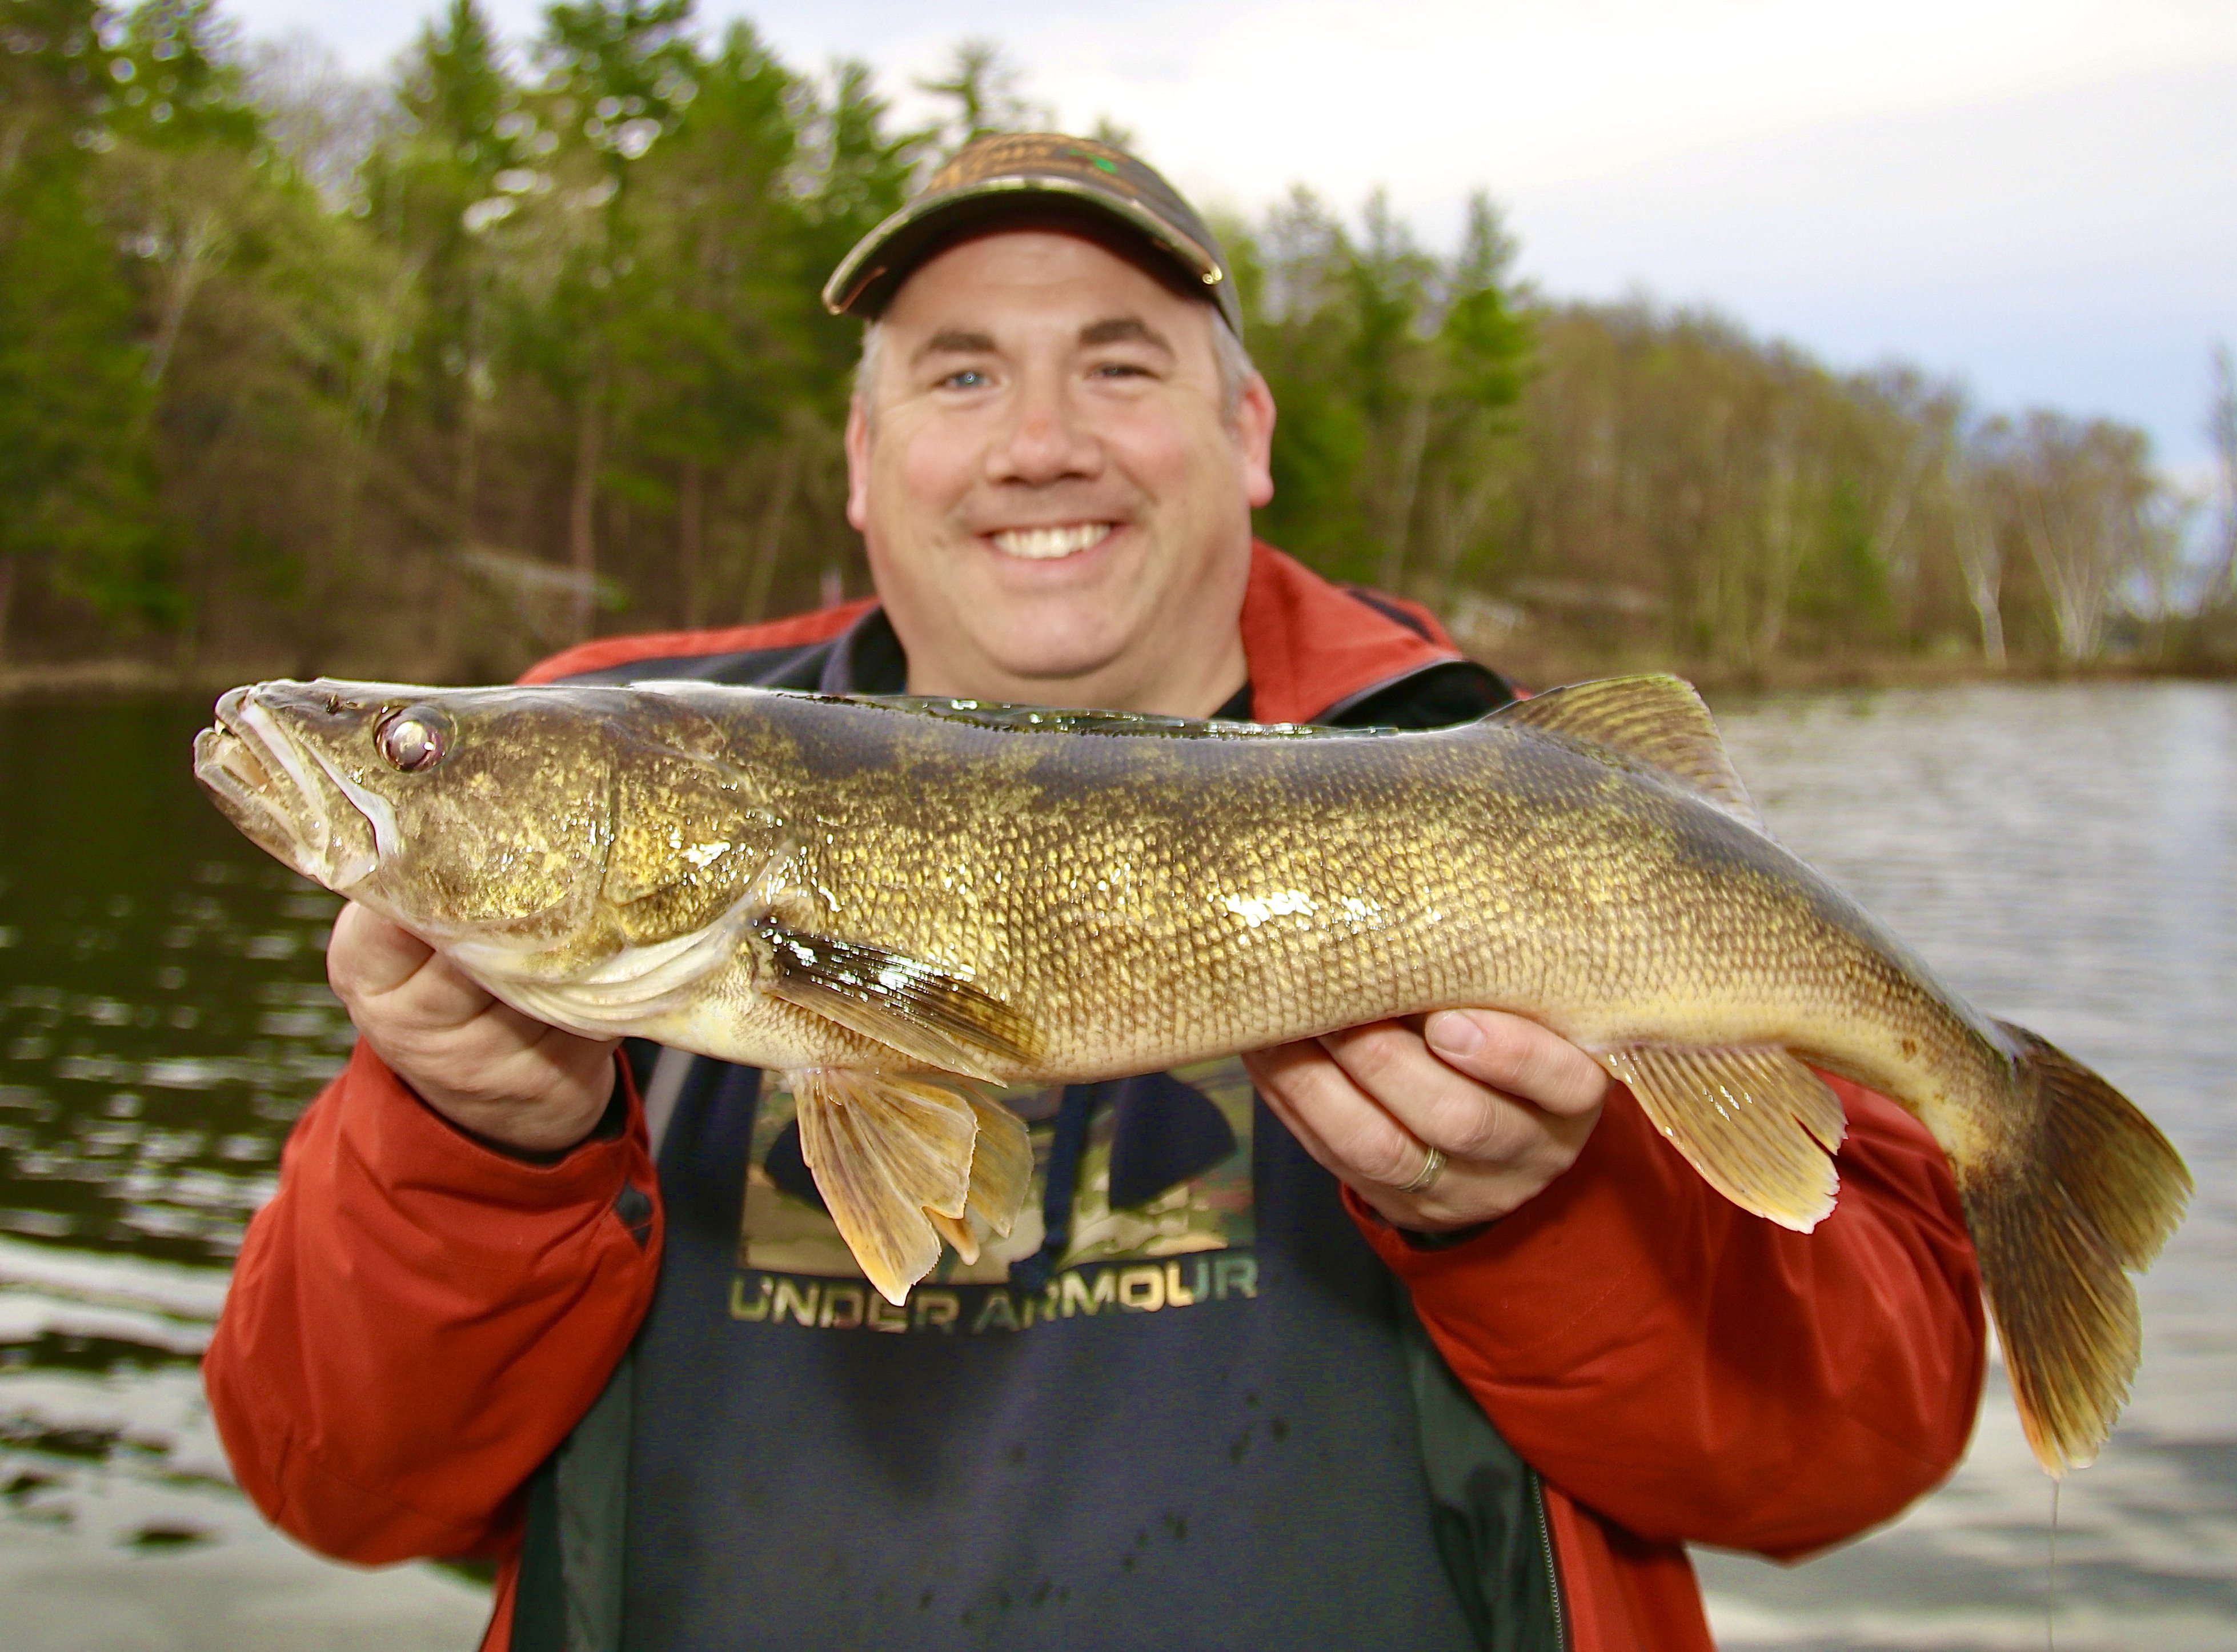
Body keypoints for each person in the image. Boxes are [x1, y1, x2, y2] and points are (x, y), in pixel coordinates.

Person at [205, 134, 1986, 1652]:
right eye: (961, 371)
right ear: (860, 458)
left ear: (1251, 430)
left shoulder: (1476, 758)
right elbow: (342, 1482)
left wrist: (1545, 1206)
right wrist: (479, 1146)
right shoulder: (636, 751)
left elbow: (1858, 1439)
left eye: (1121, 365)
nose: (1038, 439)